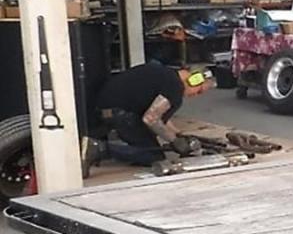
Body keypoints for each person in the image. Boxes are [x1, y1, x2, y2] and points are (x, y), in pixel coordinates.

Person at [82, 62, 210, 171]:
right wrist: (174, 141)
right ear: (195, 79)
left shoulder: (166, 74)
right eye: (199, 91)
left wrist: (178, 134)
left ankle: (112, 149)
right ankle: (100, 149)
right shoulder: (175, 87)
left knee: (149, 142)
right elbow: (151, 119)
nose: (196, 95)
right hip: (120, 114)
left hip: (103, 108)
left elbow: (160, 115)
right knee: (153, 155)